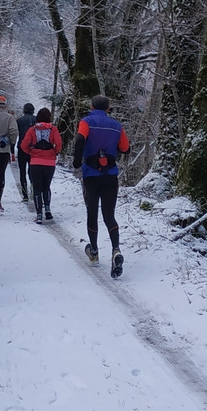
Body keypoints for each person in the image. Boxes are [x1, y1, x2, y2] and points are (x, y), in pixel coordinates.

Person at [72, 94, 130, 277]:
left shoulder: (86, 122)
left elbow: (80, 140)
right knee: (109, 215)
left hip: (91, 175)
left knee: (92, 213)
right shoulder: (116, 125)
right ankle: (116, 249)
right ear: (108, 108)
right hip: (110, 176)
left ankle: (95, 252)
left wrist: (76, 163)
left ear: (91, 106)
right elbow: (126, 148)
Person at [21, 107, 59, 224]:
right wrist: (54, 152)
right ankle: (47, 209)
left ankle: (39, 214)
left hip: (35, 162)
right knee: (46, 186)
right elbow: (58, 144)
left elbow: (24, 145)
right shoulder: (53, 129)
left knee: (37, 188)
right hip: (49, 162)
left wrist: (31, 152)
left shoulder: (32, 130)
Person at [16, 103, 38, 202]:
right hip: (34, 148)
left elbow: (16, 133)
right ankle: (33, 186)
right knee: (32, 170)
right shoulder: (37, 120)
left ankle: (25, 195)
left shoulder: (20, 120)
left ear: (24, 110)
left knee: (22, 171)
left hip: (22, 147)